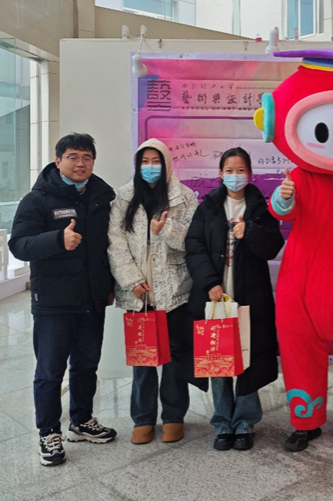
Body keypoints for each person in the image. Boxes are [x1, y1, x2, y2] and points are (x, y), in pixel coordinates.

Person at [9, 133, 117, 467]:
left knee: (87, 365)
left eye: (87, 157)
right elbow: (19, 245)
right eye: (73, 157)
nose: (80, 163)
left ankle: (81, 421)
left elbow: (107, 248)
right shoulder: (38, 199)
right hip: (54, 301)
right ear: (58, 161)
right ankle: (48, 432)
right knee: (50, 371)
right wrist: (58, 239)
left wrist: (109, 285)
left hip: (92, 299)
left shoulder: (102, 196)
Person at [185, 147, 284, 451]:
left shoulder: (260, 208)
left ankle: (245, 422)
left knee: (247, 360)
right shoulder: (209, 207)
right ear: (220, 174)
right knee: (218, 360)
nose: (235, 175)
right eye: (229, 170)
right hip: (215, 298)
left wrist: (249, 230)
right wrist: (210, 283)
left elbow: (272, 247)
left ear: (250, 174)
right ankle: (223, 423)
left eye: (240, 170)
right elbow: (194, 246)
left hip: (250, 297)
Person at [108, 138, 198, 445]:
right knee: (143, 360)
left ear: (166, 163)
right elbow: (115, 243)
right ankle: (143, 419)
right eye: (144, 162)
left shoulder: (184, 197)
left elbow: (193, 241)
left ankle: (173, 417)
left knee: (174, 358)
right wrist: (131, 280)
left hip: (174, 291)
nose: (150, 167)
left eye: (155, 161)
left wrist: (167, 230)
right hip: (139, 294)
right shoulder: (124, 197)